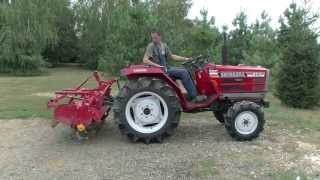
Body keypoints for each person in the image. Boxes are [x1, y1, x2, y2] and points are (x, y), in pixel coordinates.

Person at [143, 30, 206, 102]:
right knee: (183, 72)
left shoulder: (164, 46)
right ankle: (193, 96)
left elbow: (172, 56)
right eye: (152, 38)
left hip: (166, 69)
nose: (154, 40)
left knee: (186, 71)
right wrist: (158, 66)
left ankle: (191, 95)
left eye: (155, 38)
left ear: (160, 37)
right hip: (160, 71)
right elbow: (145, 60)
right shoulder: (151, 46)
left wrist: (186, 58)